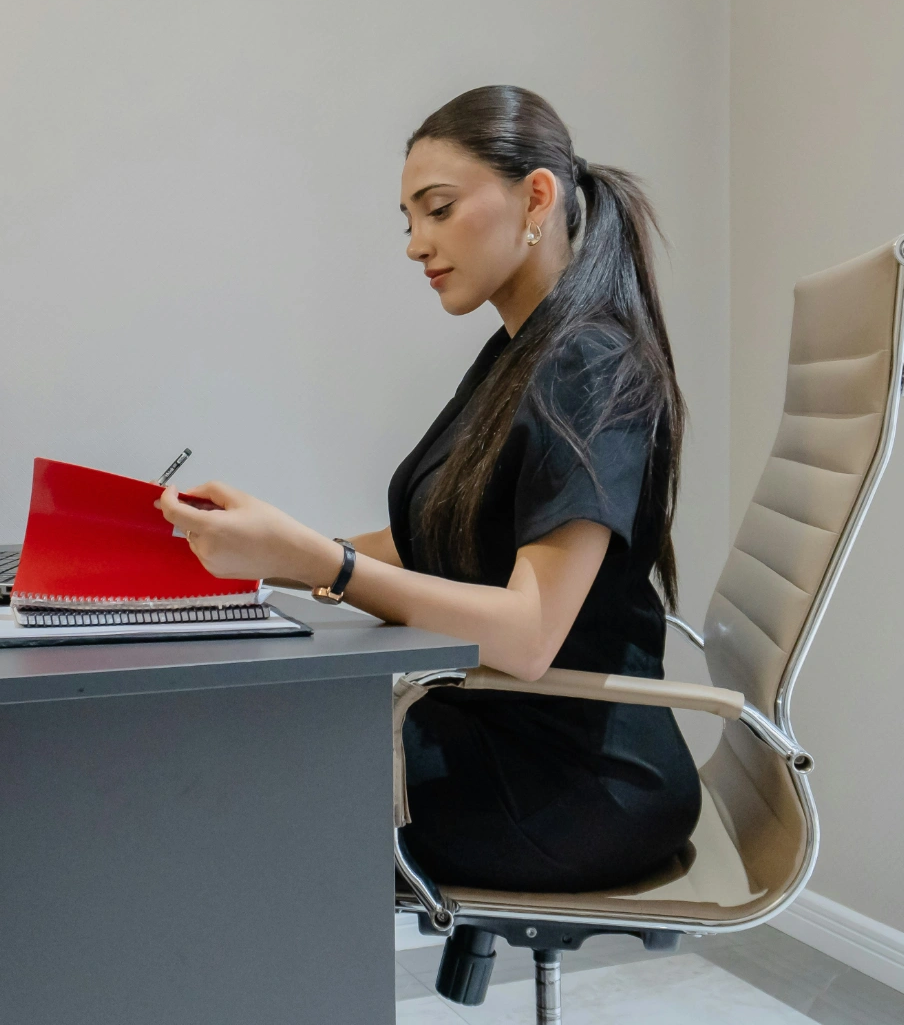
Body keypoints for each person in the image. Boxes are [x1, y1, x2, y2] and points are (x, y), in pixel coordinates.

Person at [155, 85, 699, 893]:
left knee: (239, 772)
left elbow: (528, 633)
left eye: (438, 210)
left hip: (574, 784)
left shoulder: (589, 362)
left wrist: (319, 565)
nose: (416, 244)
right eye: (408, 219)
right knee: (246, 743)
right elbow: (438, 537)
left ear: (537, 198)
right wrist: (257, 557)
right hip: (501, 730)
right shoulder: (516, 353)